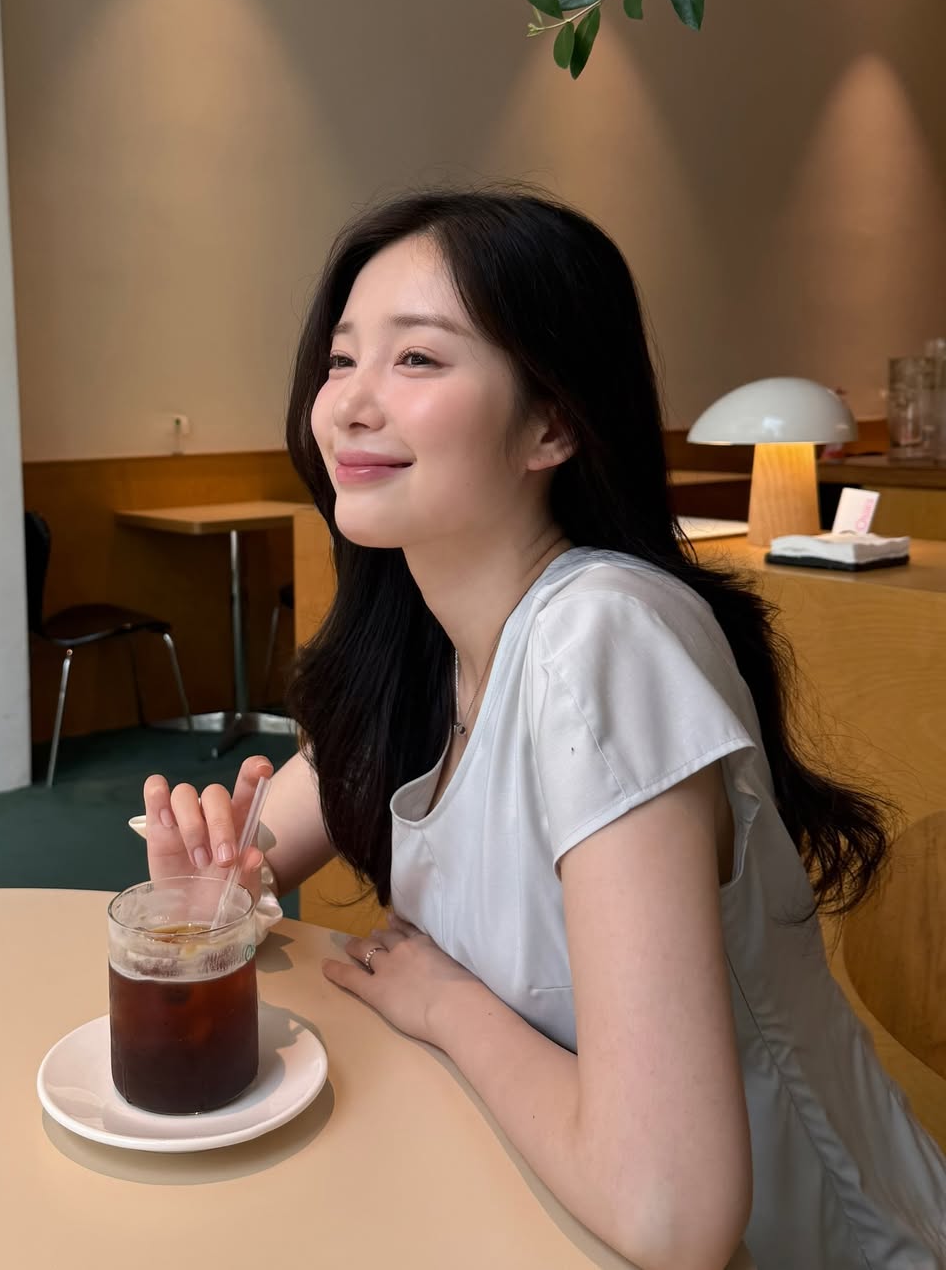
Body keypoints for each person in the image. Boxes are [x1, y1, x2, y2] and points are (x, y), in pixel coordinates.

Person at [141, 190, 946, 1270]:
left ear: (552, 424)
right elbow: (256, 855)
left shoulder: (599, 640)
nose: (348, 406)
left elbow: (674, 1217)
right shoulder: (421, 642)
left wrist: (446, 1004)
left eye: (417, 359)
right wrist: (206, 885)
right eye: (340, 360)